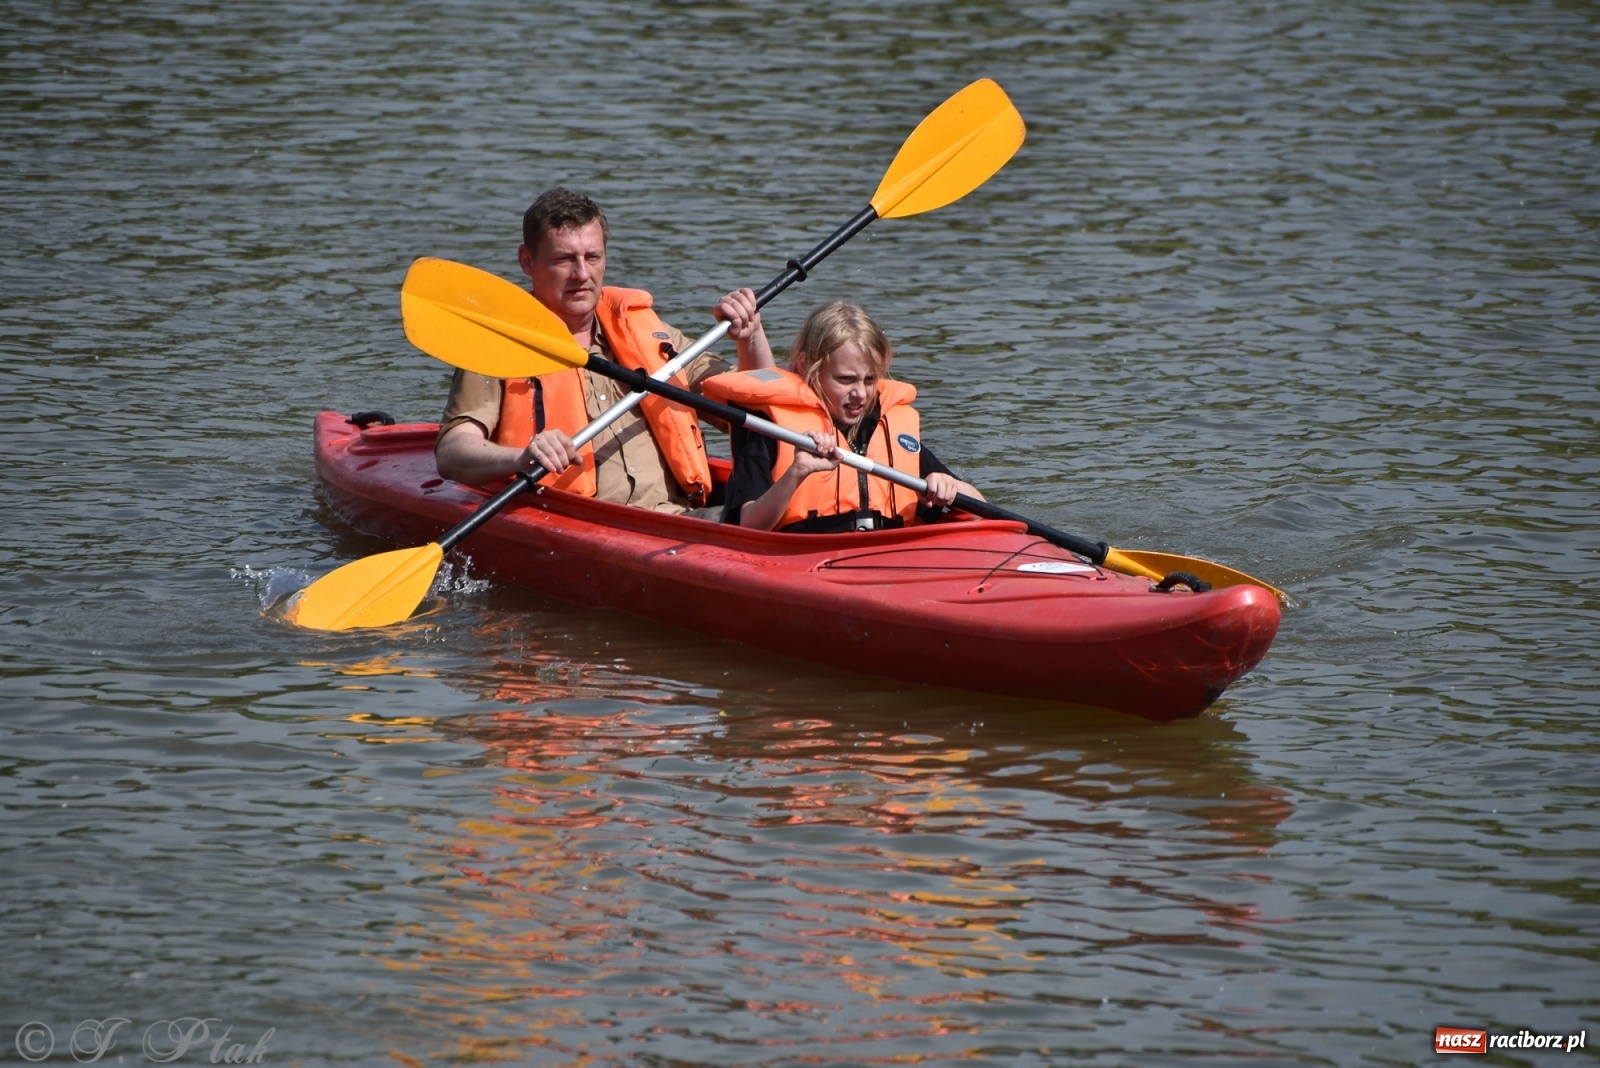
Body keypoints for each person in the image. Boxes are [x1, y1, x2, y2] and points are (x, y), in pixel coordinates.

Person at [433, 187, 770, 514]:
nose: (582, 274)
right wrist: (522, 457)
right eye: (564, 259)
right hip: (589, 524)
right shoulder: (500, 348)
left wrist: (750, 335)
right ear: (526, 260)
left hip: (685, 520)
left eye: (592, 257)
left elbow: (760, 414)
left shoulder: (651, 335)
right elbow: (453, 453)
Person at [702, 300, 984, 532]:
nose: (861, 393)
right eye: (846, 380)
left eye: (870, 379)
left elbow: (980, 508)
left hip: (884, 557)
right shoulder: (769, 430)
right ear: (806, 366)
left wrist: (951, 486)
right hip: (798, 559)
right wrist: (796, 473)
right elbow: (745, 527)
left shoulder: (887, 426)